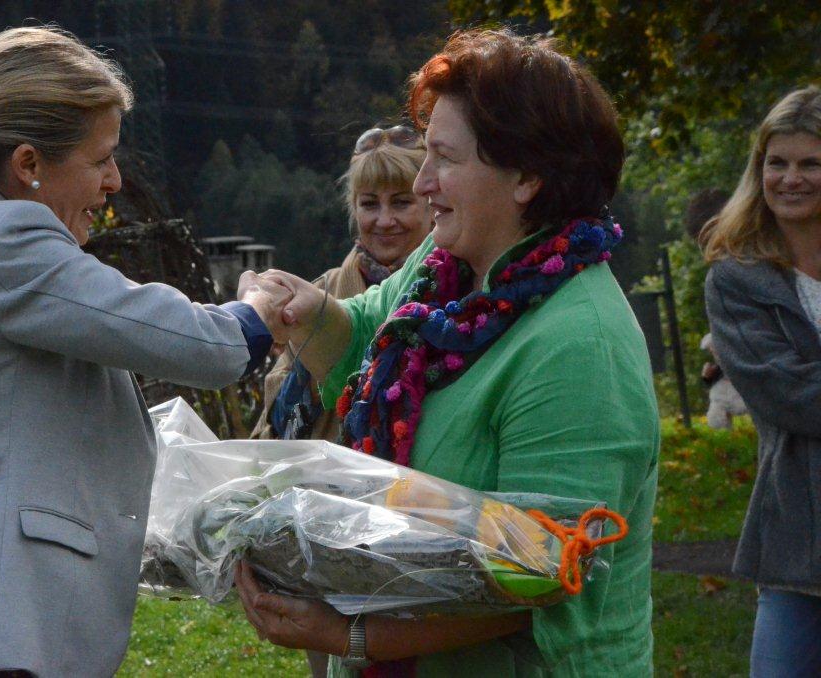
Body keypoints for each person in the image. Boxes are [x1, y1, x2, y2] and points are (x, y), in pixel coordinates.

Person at [0, 26, 290, 677]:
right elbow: (203, 347)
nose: (114, 181)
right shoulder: (8, 239)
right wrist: (258, 311)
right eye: (101, 159)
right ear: (28, 164)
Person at [235, 27, 659, 677]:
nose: (423, 181)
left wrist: (352, 635)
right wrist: (302, 307)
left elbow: (543, 572)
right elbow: (364, 335)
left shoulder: (580, 346)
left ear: (528, 177)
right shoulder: (444, 269)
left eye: (444, 158)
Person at [702, 86, 821, 677]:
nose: (791, 179)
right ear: (759, 170)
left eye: (810, 163)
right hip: (800, 542)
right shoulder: (736, 280)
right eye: (778, 162)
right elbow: (788, 396)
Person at [251, 125, 432, 444]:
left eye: (401, 202)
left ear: (433, 205)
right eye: (370, 204)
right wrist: (315, 373)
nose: (384, 220)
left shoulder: (459, 290)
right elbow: (273, 432)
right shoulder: (320, 293)